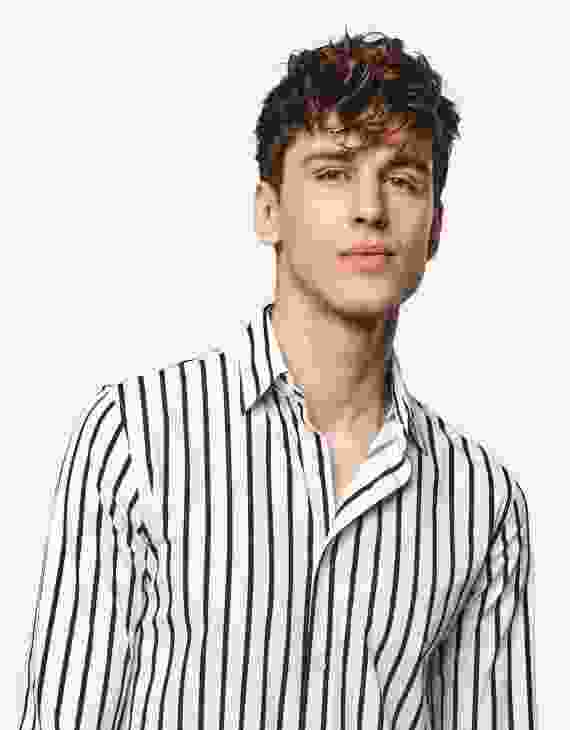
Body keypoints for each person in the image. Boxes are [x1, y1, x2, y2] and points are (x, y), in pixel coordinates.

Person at [18, 27, 538, 730]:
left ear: (435, 228)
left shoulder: (483, 500)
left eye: (402, 179)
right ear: (268, 211)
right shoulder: (136, 437)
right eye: (333, 173)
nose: (370, 209)